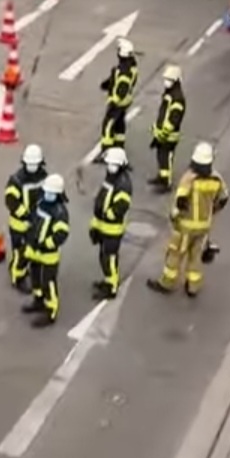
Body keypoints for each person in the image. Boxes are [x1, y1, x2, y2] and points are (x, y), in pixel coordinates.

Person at [147, 142, 228, 298]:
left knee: (175, 254)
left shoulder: (189, 178)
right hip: (204, 226)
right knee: (195, 256)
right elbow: (224, 198)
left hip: (185, 226)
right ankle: (193, 287)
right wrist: (212, 211)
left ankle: (167, 283)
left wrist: (174, 215)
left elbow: (181, 201)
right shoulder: (217, 179)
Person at [23, 173, 69, 327]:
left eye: (52, 193)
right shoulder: (40, 204)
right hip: (35, 251)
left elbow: (61, 234)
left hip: (48, 254)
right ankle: (38, 301)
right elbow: (32, 221)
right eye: (47, 191)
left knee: (48, 281)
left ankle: (51, 311)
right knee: (35, 277)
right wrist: (28, 238)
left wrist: (46, 243)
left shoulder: (60, 212)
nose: (48, 194)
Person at [4, 143, 48, 291]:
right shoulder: (16, 180)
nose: (32, 167)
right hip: (19, 224)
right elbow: (11, 201)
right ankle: (18, 277)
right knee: (20, 252)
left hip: (35, 224)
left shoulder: (43, 177)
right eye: (30, 164)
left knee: (32, 251)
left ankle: (24, 270)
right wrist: (26, 214)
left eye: (35, 164)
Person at [90, 147, 132, 300]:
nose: (109, 167)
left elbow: (120, 207)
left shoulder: (123, 184)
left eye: (112, 164)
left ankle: (112, 287)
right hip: (103, 226)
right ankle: (107, 281)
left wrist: (106, 214)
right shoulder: (111, 178)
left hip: (113, 229)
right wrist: (95, 226)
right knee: (104, 257)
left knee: (110, 258)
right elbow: (101, 200)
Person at [98, 37, 139, 156]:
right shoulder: (131, 66)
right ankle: (119, 146)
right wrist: (107, 84)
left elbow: (122, 87)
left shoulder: (124, 70)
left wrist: (114, 101)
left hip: (118, 102)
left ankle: (106, 151)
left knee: (108, 125)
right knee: (120, 124)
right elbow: (116, 80)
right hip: (126, 101)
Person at [150, 66, 186, 192]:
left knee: (167, 157)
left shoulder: (177, 98)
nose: (166, 81)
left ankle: (167, 183)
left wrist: (163, 133)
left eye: (169, 79)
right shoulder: (170, 93)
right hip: (163, 133)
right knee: (161, 156)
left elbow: (173, 119)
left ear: (176, 80)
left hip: (169, 135)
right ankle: (162, 177)